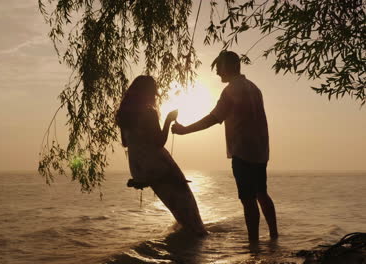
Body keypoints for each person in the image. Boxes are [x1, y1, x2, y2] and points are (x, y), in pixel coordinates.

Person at [172, 51, 278, 242]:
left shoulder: (231, 91)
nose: (218, 73)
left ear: (229, 67)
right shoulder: (254, 88)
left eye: (219, 68)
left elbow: (213, 118)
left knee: (248, 200)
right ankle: (274, 237)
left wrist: (184, 130)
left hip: (243, 151)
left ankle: (253, 245)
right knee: (261, 193)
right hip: (261, 150)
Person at [116, 75, 207, 236]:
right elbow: (159, 142)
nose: (155, 95)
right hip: (159, 166)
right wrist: (168, 120)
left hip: (140, 169)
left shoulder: (123, 116)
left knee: (177, 210)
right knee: (189, 211)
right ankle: (194, 248)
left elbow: (125, 143)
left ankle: (183, 249)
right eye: (153, 92)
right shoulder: (148, 113)